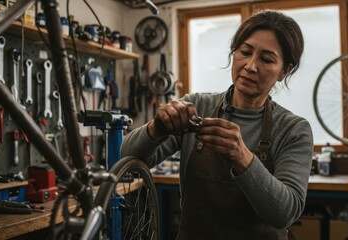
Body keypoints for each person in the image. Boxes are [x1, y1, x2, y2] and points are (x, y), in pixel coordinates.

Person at [121, 9, 313, 240]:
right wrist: (156, 128)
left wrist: (242, 156)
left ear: (285, 70)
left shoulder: (293, 130)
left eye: (266, 59)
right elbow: (124, 158)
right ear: (234, 53)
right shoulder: (197, 107)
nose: (251, 66)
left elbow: (285, 213)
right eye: (245, 52)